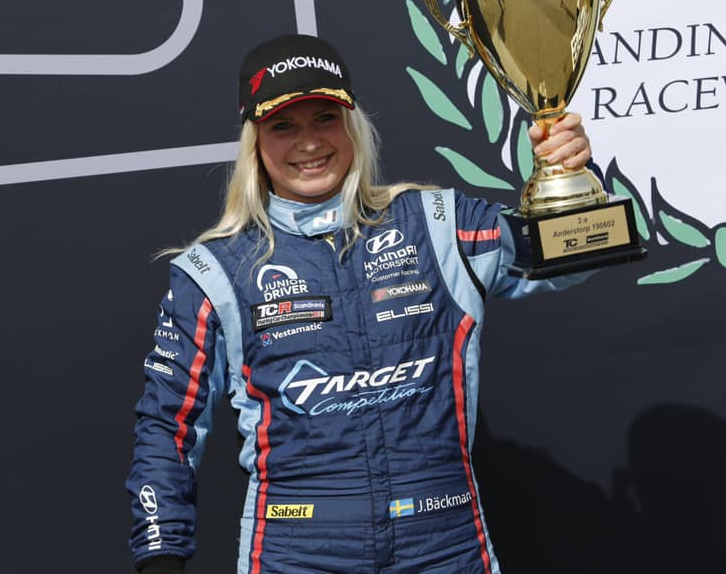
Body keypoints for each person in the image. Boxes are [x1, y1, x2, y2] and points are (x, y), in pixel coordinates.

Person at [127, 34, 598, 574]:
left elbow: (576, 253)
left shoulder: (438, 225)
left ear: (353, 123)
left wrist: (572, 179)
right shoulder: (214, 270)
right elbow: (166, 426)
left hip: (445, 546)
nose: (308, 142)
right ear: (254, 141)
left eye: (325, 118)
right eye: (283, 126)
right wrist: (160, 556)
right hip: (297, 553)